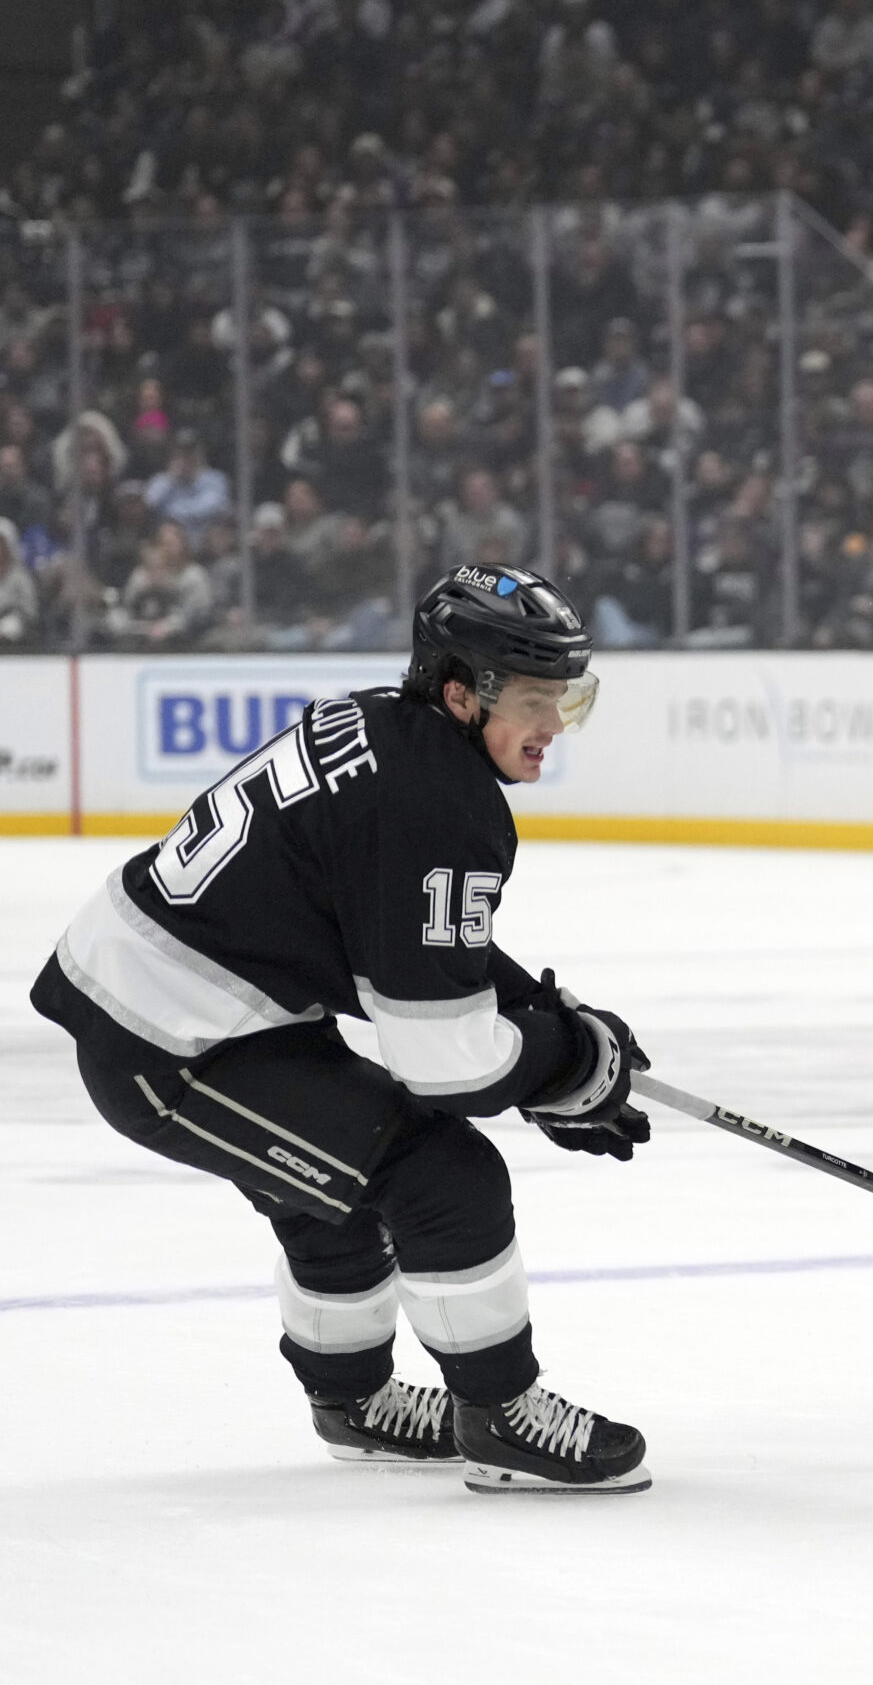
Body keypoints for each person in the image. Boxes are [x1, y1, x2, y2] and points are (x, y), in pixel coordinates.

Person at [28, 565, 655, 1493]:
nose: (554, 725)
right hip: (172, 1045)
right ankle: (500, 1414)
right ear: (459, 692)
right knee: (441, 1174)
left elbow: (411, 941)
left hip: (191, 1004)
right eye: (533, 699)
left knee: (331, 1183)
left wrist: (551, 1028)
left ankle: (355, 1405)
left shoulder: (384, 729)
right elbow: (443, 1063)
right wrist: (562, 1059)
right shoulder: (441, 801)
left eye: (566, 698)